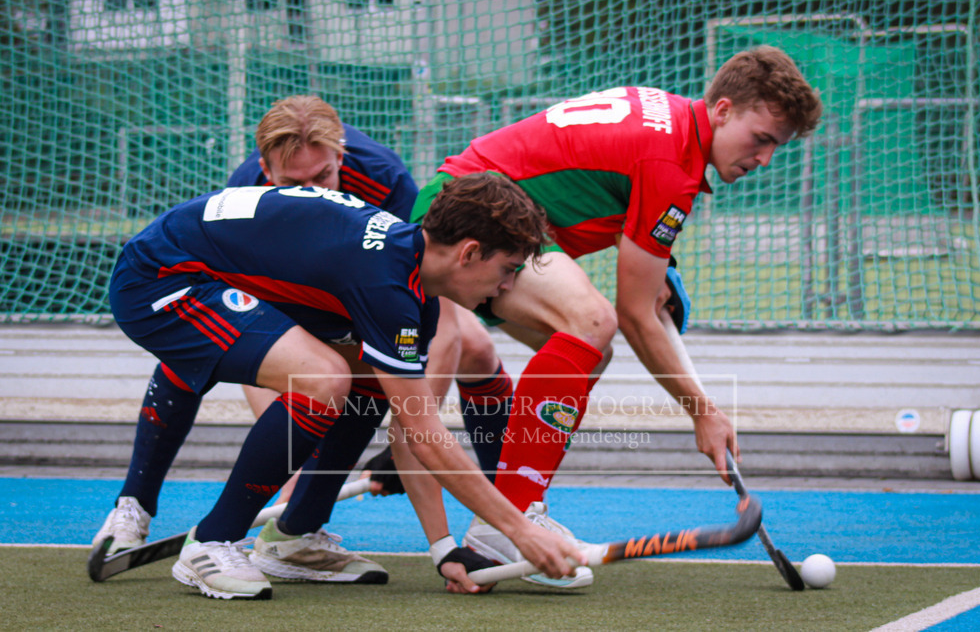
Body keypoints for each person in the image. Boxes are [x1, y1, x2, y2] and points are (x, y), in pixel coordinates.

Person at [410, 45, 823, 583]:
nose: (764, 158)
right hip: (470, 218)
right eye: (761, 138)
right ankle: (502, 530)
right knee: (595, 322)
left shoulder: (671, 123)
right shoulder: (670, 162)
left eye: (777, 147)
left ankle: (516, 515)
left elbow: (645, 296)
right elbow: (633, 312)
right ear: (722, 110)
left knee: (589, 353)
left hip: (487, 211)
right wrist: (703, 411)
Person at [106, 173, 585, 600]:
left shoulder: (415, 288)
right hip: (161, 279)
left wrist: (444, 549)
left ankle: (295, 537)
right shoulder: (386, 287)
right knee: (324, 378)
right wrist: (522, 531)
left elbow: (410, 429)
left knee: (368, 380)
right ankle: (212, 542)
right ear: (469, 253)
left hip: (208, 271)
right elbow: (424, 433)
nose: (505, 287)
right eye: (508, 269)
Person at [91, 97, 509, 577]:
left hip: (347, 290)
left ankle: (297, 536)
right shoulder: (250, 187)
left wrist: (406, 434)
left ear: (342, 158)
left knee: (380, 369)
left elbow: (428, 315)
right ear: (265, 167)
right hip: (215, 285)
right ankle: (137, 506)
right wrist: (286, 447)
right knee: (265, 369)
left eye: (323, 177)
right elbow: (257, 339)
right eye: (292, 184)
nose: (309, 190)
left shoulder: (387, 181)